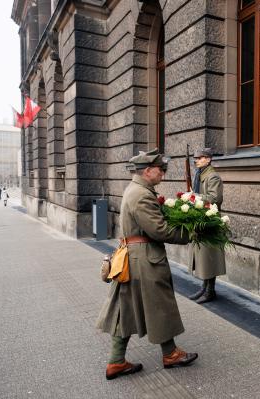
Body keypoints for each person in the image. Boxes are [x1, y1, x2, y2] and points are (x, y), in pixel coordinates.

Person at [96, 148, 198, 380]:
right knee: (159, 305)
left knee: (126, 308)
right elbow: (158, 230)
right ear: (148, 171)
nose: (163, 173)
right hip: (144, 259)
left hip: (132, 257)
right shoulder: (142, 194)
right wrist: (190, 233)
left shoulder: (135, 190)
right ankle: (170, 354)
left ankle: (116, 361)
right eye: (160, 170)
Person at [187, 148, 226, 304]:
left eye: (200, 158)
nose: (196, 160)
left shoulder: (213, 176)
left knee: (209, 258)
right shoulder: (200, 174)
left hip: (210, 221)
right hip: (201, 220)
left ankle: (210, 291)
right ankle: (204, 287)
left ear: (208, 159)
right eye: (196, 158)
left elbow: (215, 198)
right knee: (203, 257)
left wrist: (194, 196)